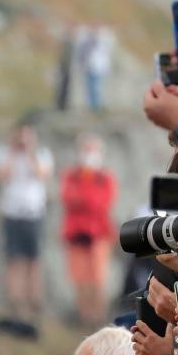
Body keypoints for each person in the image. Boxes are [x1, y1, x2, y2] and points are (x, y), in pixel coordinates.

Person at [0, 122, 53, 334]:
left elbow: (41, 174)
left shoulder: (42, 154)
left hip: (33, 214)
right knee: (14, 259)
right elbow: (2, 175)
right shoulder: (4, 153)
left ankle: (34, 302)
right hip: (12, 212)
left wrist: (31, 153)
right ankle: (15, 303)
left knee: (33, 260)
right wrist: (13, 152)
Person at [59, 132, 117, 326]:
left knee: (98, 278)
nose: (89, 154)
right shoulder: (72, 175)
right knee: (79, 278)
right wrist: (86, 196)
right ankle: (84, 317)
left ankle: (98, 317)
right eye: (86, 149)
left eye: (93, 150)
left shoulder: (105, 177)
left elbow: (101, 203)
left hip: (98, 233)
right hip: (75, 232)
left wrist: (83, 196)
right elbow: (67, 198)